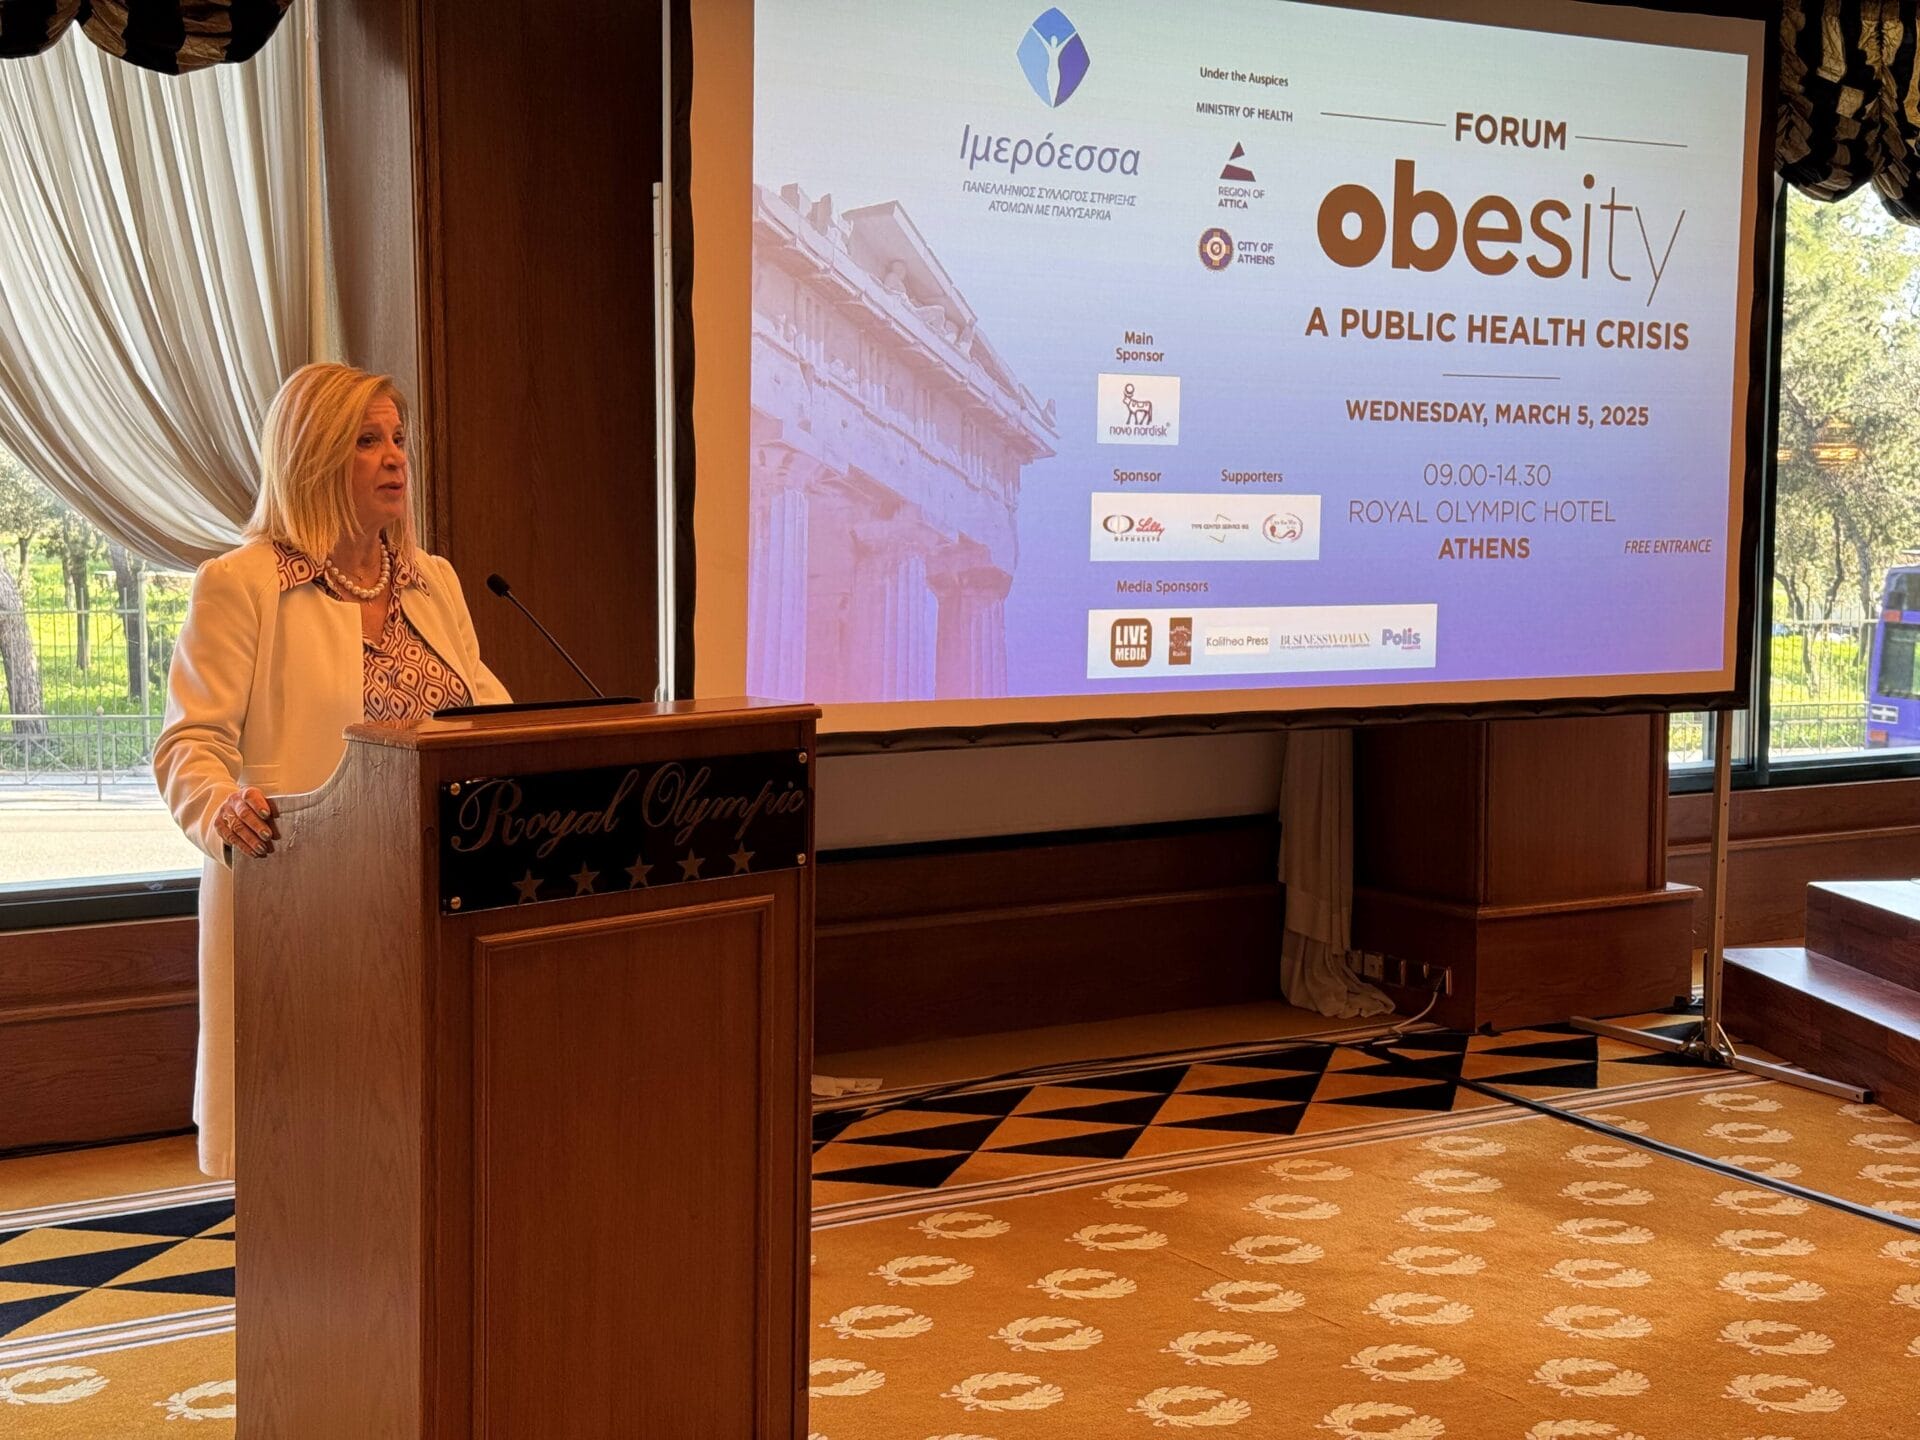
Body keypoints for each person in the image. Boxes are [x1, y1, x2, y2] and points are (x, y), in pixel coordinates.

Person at [155, 362, 509, 1178]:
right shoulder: (242, 584)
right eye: (365, 441)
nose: (394, 458)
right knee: (317, 1146)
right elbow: (188, 744)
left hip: (438, 899)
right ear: (312, 454)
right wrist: (220, 810)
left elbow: (488, 713)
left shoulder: (435, 581)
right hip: (309, 904)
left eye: (398, 440)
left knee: (427, 1138)